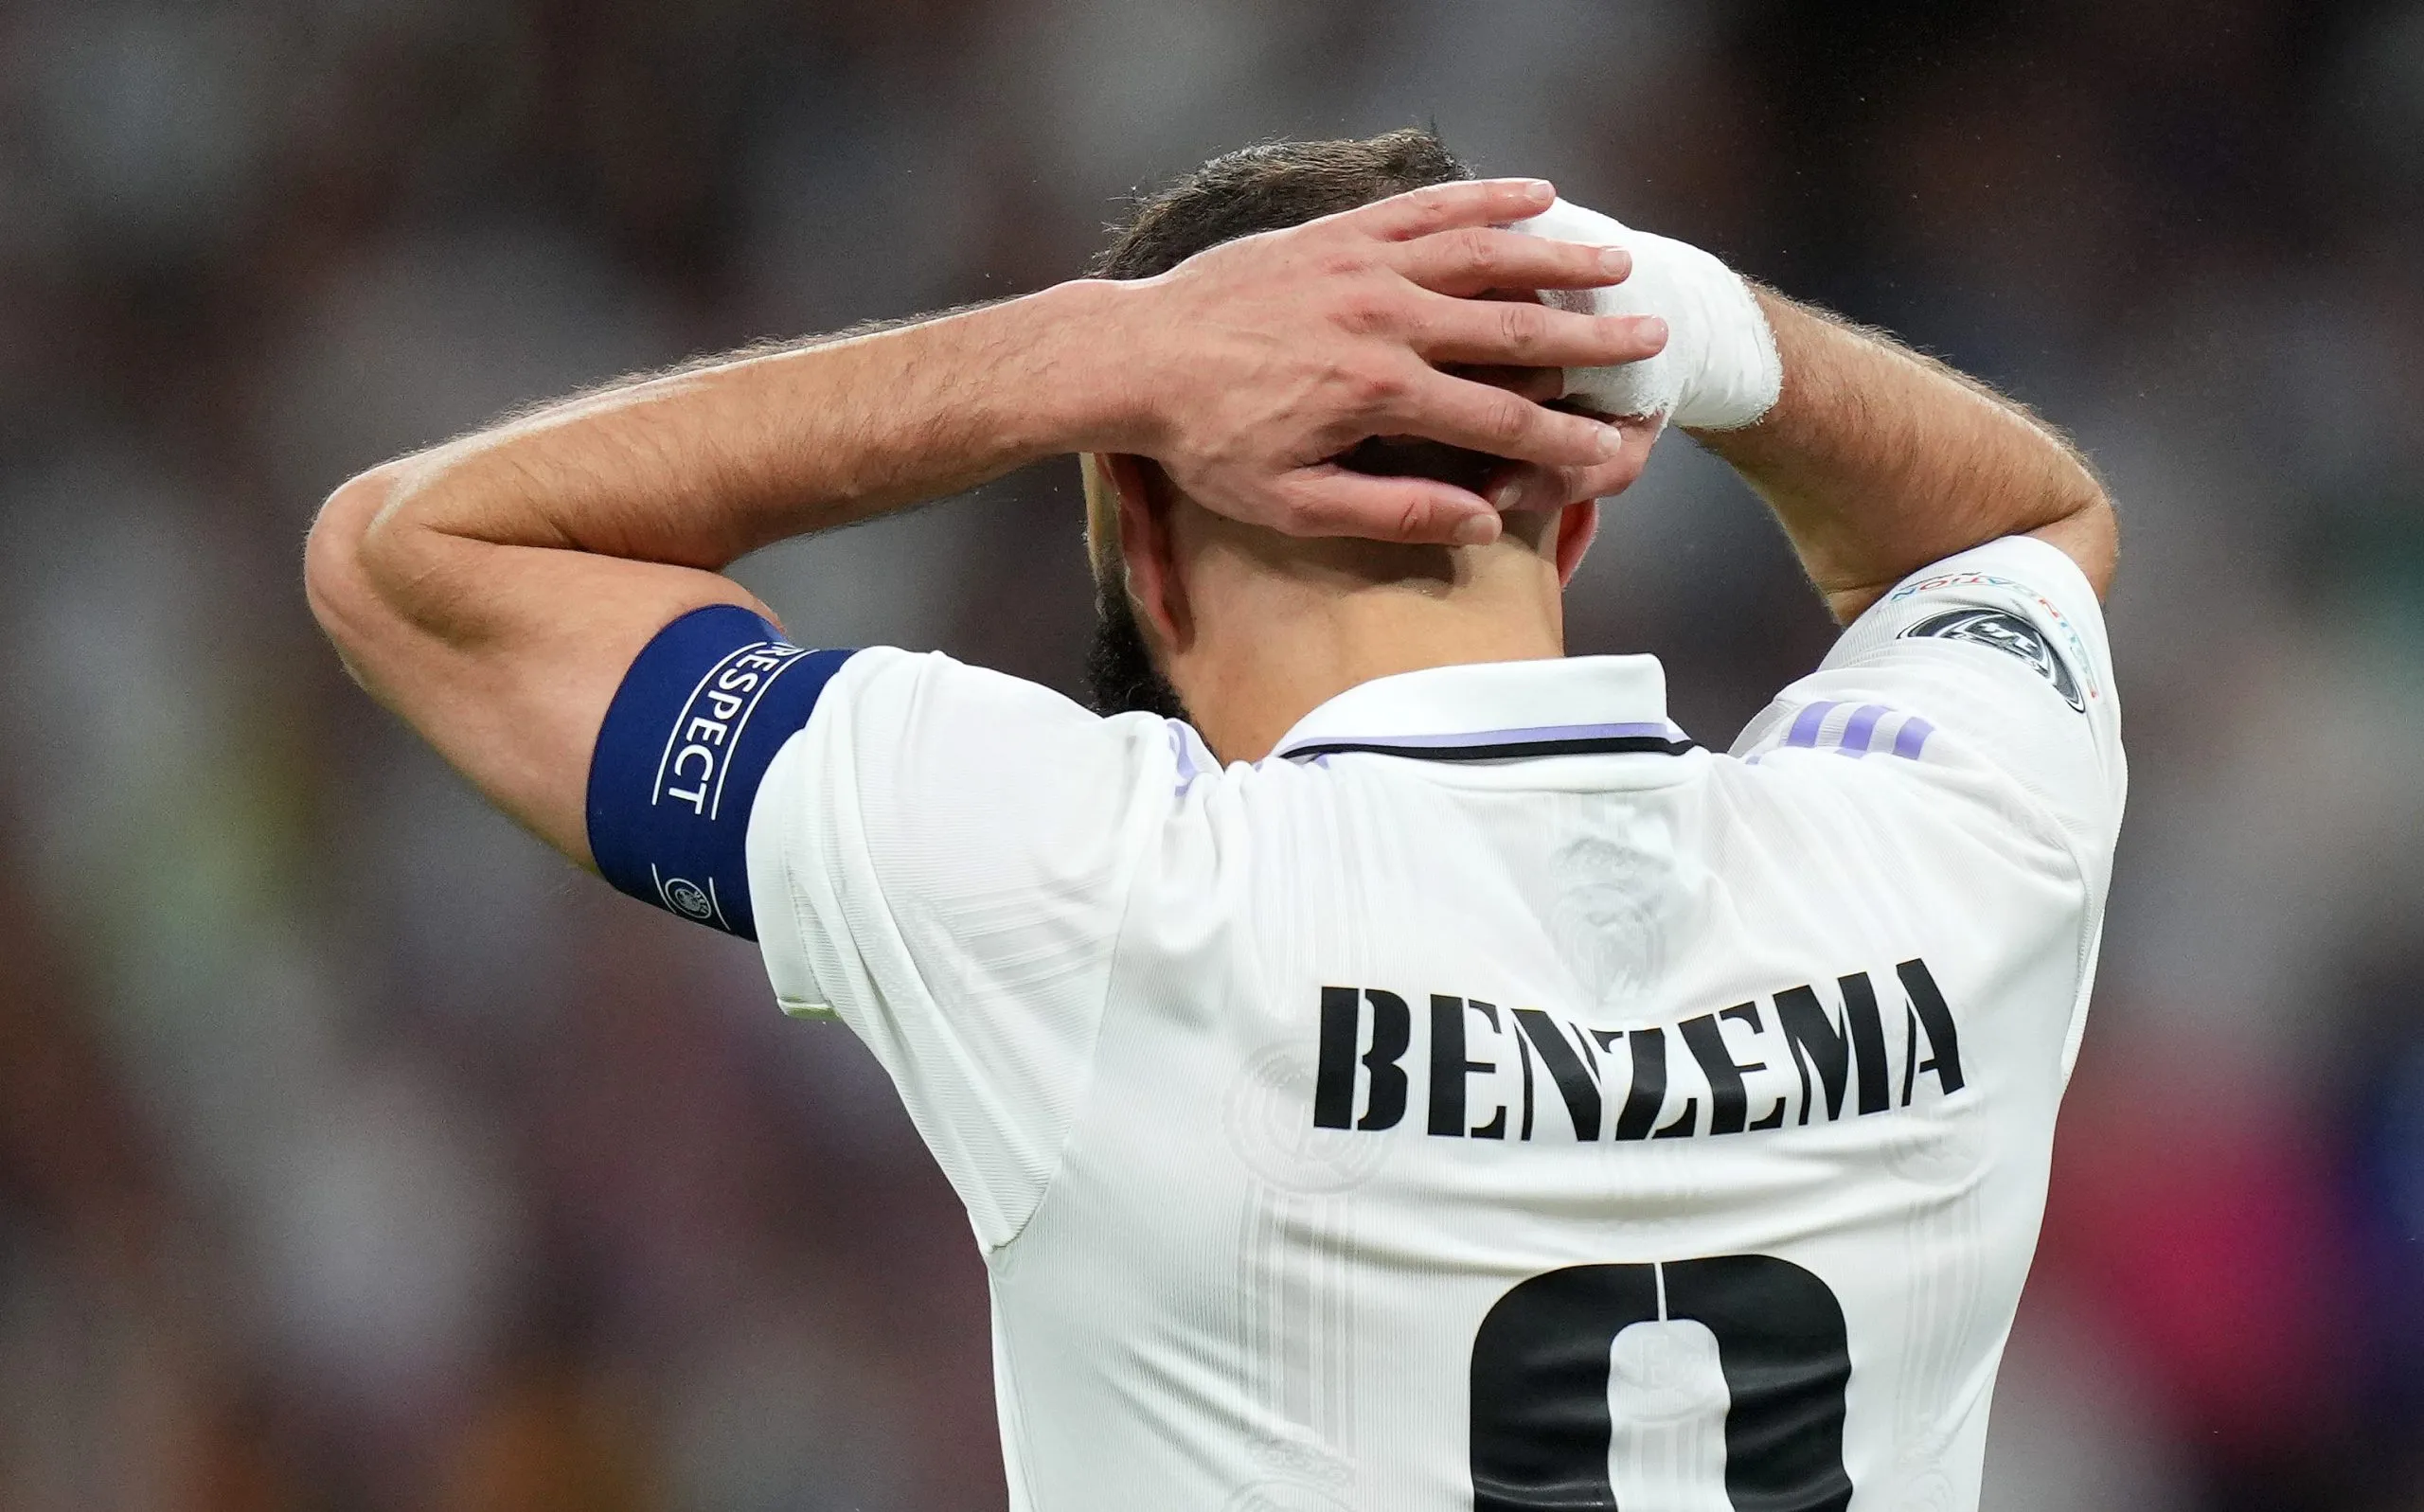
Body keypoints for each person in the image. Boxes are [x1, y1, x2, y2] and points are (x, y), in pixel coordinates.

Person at [306, 129, 2122, 1512]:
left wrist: (1093, 355)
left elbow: (415, 563)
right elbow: (2024, 536)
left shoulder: (1097, 891)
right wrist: (1679, 320)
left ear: (1139, 535)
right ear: (1572, 519)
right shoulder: (1939, 861)